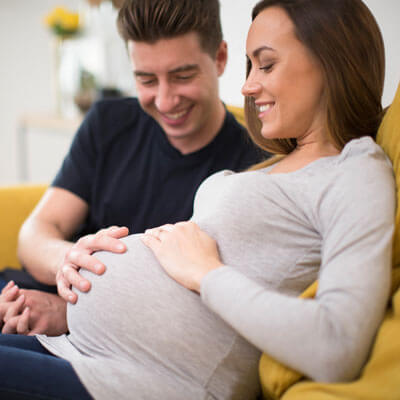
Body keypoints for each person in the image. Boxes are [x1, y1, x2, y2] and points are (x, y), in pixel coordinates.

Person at [0, 0, 396, 399]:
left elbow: (337, 346)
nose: (247, 86)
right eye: (251, 66)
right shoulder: (280, 163)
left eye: (267, 65)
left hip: (134, 381)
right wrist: (71, 288)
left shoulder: (356, 171)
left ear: (330, 60)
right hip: (77, 346)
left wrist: (207, 274)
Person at [0, 0, 265, 335]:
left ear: (221, 58)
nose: (166, 101)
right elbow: (36, 233)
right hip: (29, 294)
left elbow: (202, 309)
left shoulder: (255, 167)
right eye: (147, 80)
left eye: (182, 76)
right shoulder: (108, 122)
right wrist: (68, 263)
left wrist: (72, 313)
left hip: (104, 335)